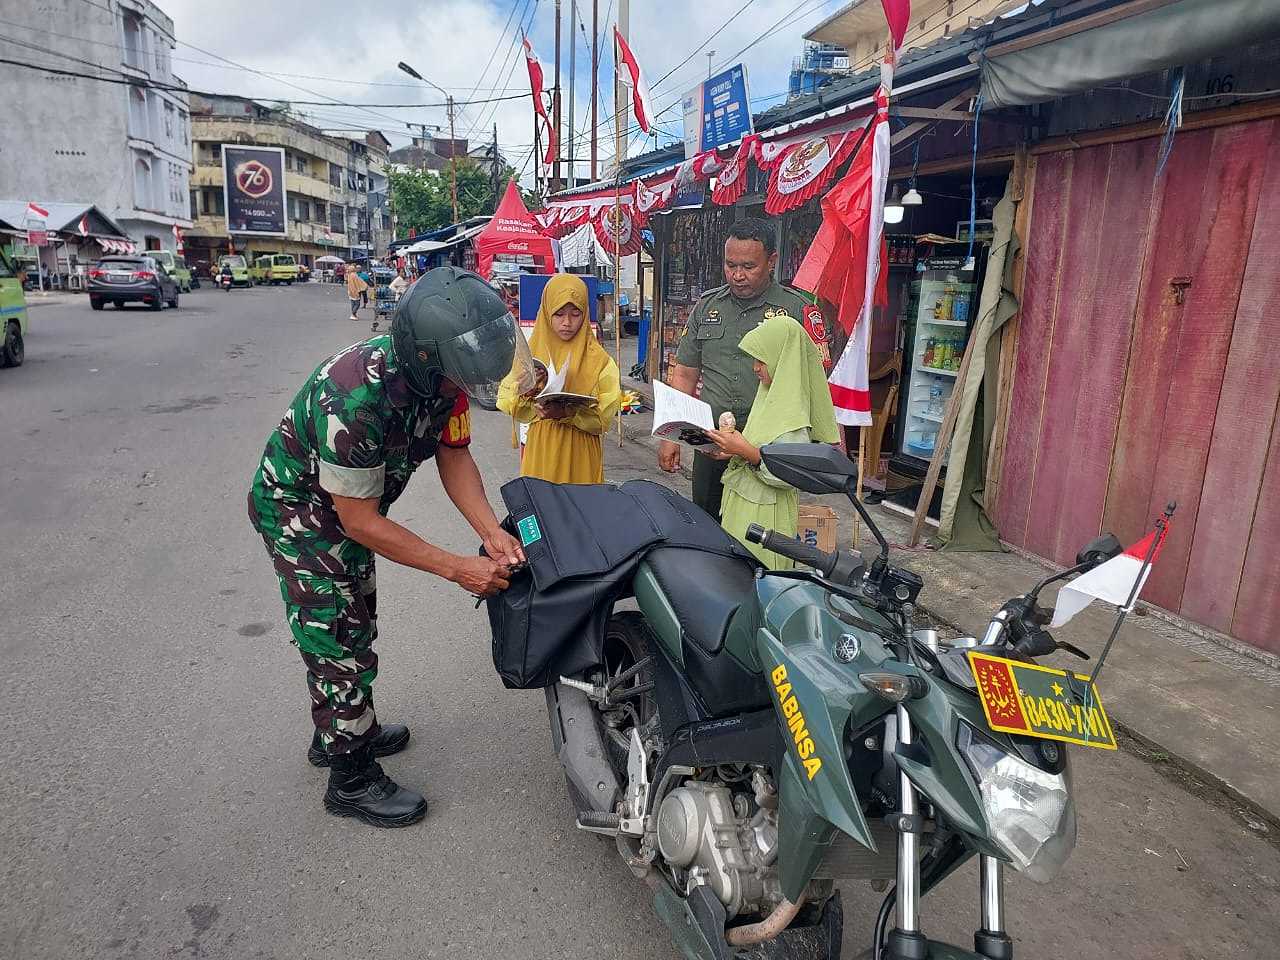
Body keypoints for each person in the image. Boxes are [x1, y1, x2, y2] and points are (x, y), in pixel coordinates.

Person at [247, 266, 527, 828]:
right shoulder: (353, 399)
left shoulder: (446, 377)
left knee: (358, 620)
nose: (465, 393)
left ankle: (344, 728)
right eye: (460, 383)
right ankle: (349, 779)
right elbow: (360, 522)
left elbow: (454, 455)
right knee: (336, 634)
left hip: (347, 512)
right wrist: (457, 568)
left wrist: (491, 531)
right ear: (427, 364)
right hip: (301, 511)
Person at [658, 218, 821, 519]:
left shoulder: (796, 310)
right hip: (712, 443)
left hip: (769, 448)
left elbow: (814, 382)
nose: (737, 275)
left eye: (748, 266)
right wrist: (672, 436)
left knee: (760, 532)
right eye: (730, 265)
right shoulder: (707, 308)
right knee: (707, 525)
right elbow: (684, 373)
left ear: (772, 261)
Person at [705, 314, 839, 568]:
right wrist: (732, 449)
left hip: (765, 520)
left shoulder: (793, 414)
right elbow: (760, 445)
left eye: (761, 360)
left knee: (759, 579)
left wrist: (745, 451)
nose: (755, 367)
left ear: (783, 359)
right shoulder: (767, 397)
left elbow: (788, 474)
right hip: (745, 510)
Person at [496, 274, 621, 484]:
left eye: (575, 314)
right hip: (542, 449)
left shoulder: (600, 361)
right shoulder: (529, 355)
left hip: (581, 452)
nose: (567, 323)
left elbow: (604, 419)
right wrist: (527, 392)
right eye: (559, 314)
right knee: (542, 511)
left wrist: (568, 412)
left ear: (585, 314)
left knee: (580, 510)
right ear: (546, 313)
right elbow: (509, 402)